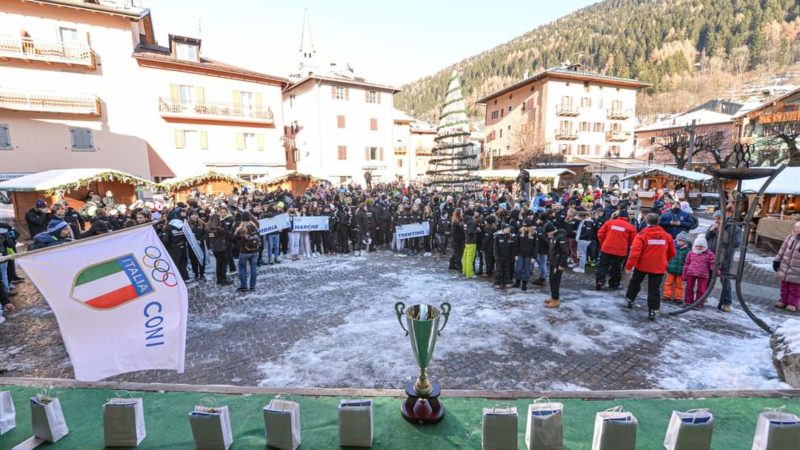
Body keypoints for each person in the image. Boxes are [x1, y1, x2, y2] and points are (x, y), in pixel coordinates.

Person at [624, 213, 676, 321]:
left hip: (642, 265)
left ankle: (630, 300)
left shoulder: (642, 235)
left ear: (646, 221)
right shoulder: (667, 236)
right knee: (654, 289)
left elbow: (635, 253)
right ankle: (653, 309)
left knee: (635, 283)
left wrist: (629, 266)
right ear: (658, 221)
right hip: (658, 267)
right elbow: (672, 253)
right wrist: (664, 260)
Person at [706, 209, 741, 313]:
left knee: (725, 280)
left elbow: (736, 243)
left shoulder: (734, 228)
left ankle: (727, 303)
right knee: (707, 277)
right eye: (715, 218)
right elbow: (706, 238)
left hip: (725, 258)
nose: (716, 221)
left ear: (724, 218)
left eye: (718, 218)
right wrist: (710, 231)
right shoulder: (713, 226)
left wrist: (722, 231)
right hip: (712, 256)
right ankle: (703, 296)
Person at [595, 210, 636, 290]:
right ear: (627, 217)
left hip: (606, 248)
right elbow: (633, 240)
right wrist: (626, 245)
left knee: (602, 266)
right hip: (620, 251)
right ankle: (614, 284)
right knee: (616, 268)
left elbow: (600, 234)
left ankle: (600, 281)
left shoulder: (609, 222)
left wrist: (603, 243)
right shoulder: (630, 227)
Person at [773, 221, 800, 312]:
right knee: (784, 286)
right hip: (785, 268)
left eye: (799, 228)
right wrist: (776, 260)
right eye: (796, 227)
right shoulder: (789, 238)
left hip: (797, 271)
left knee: (795, 288)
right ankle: (783, 300)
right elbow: (782, 250)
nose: (797, 230)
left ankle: (793, 303)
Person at [682, 235, 715, 308]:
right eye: (697, 246)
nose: (699, 248)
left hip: (703, 274)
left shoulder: (710, 254)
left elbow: (712, 264)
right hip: (691, 273)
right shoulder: (691, 253)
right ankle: (688, 301)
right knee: (689, 288)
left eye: (701, 246)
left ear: (705, 246)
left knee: (701, 290)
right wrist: (684, 274)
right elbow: (686, 264)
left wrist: (716, 271)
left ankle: (699, 303)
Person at [232, 211, 260, 292]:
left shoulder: (240, 228)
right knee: (253, 268)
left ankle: (244, 286)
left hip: (244, 251)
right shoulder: (255, 227)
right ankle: (252, 286)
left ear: (242, 219)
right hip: (254, 251)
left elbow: (233, 238)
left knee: (242, 268)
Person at [545, 222, 568, 309]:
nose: (547, 234)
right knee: (551, 280)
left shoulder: (560, 237)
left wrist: (562, 264)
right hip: (552, 262)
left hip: (558, 264)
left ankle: (556, 300)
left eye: (548, 232)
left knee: (555, 282)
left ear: (551, 231)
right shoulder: (553, 236)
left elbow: (565, 252)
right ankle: (553, 297)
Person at [663, 231, 691, 303]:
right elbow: (667, 257)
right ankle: (667, 296)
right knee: (668, 283)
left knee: (679, 285)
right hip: (670, 269)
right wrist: (666, 266)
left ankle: (678, 297)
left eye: (682, 241)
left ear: (685, 241)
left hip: (681, 271)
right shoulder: (672, 247)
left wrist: (686, 270)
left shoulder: (687, 250)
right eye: (679, 240)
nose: (680, 242)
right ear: (676, 240)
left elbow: (688, 261)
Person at [206, 214, 232, 285]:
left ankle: (219, 279)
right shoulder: (219, 229)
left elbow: (209, 239)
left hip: (215, 249)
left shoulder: (209, 229)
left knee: (218, 263)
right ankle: (223, 279)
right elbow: (227, 232)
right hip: (221, 248)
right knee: (224, 263)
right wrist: (223, 221)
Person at [514, 218, 536, 291]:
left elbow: (536, 246)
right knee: (518, 269)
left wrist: (534, 257)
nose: (525, 228)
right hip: (520, 254)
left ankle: (524, 284)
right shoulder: (520, 232)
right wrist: (516, 254)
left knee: (527, 270)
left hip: (529, 255)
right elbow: (517, 244)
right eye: (524, 226)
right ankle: (517, 282)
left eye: (526, 226)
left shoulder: (534, 234)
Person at [493, 223, 515, 288]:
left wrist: (512, 256)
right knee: (498, 270)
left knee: (507, 270)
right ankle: (497, 282)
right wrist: (496, 256)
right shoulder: (498, 236)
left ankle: (506, 282)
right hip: (499, 257)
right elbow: (495, 248)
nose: (508, 230)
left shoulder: (511, 236)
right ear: (503, 229)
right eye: (507, 228)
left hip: (507, 257)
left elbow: (512, 248)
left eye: (509, 228)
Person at [462, 209, 477, 278]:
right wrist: (477, 230)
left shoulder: (466, 221)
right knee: (470, 258)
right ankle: (469, 274)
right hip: (471, 242)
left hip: (467, 240)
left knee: (465, 257)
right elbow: (470, 232)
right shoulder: (471, 221)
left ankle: (464, 271)